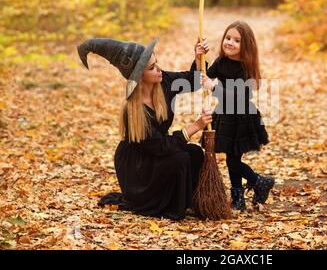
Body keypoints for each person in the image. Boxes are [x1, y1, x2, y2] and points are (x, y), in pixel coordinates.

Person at [77, 37, 211, 220]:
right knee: (180, 158)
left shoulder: (162, 82)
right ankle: (169, 207)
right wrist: (196, 126)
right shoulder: (135, 112)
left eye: (156, 63)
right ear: (139, 76)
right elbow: (162, 146)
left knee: (195, 153)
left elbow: (191, 81)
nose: (158, 69)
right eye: (151, 68)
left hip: (157, 153)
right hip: (139, 168)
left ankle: (188, 201)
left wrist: (198, 58)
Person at [200, 21, 274, 211]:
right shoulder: (221, 61)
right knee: (231, 157)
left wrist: (214, 87)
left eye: (237, 40)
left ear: (246, 46)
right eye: (228, 38)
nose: (230, 42)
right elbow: (205, 75)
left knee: (233, 160)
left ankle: (259, 181)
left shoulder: (245, 68)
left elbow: (239, 95)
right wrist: (200, 56)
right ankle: (238, 199)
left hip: (241, 116)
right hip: (225, 114)